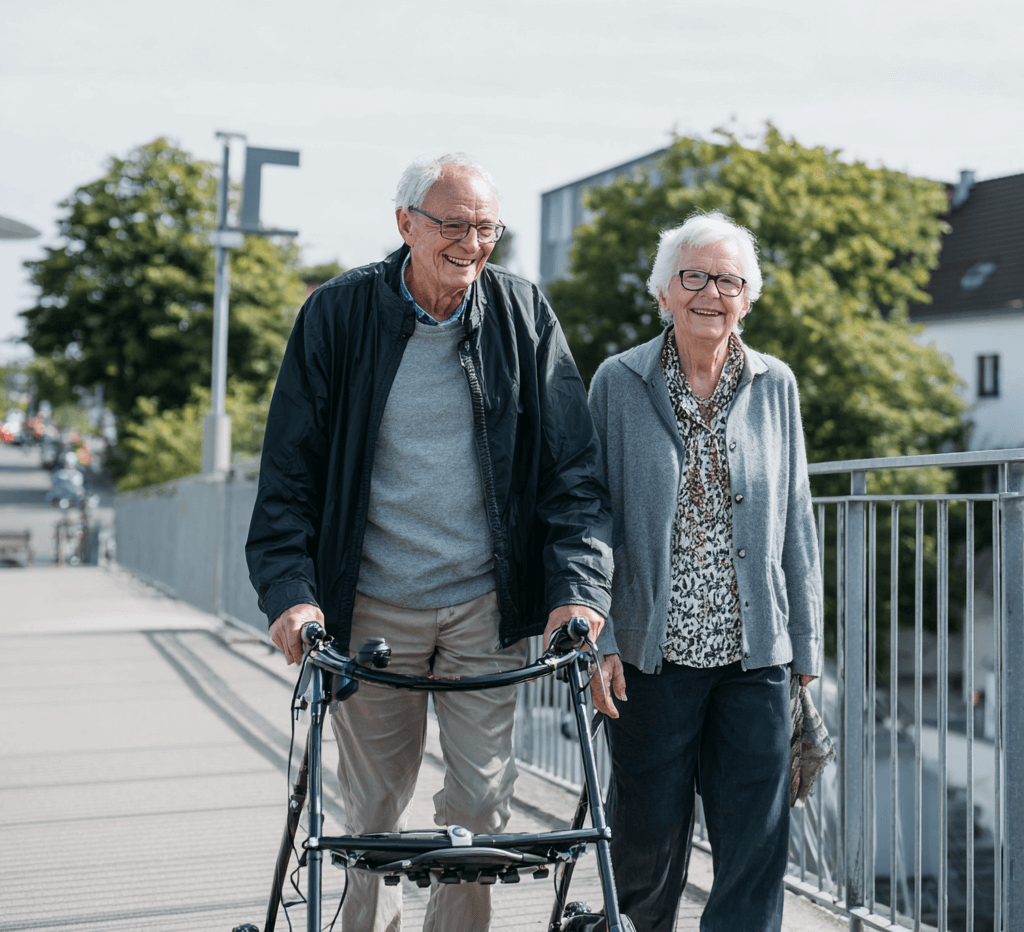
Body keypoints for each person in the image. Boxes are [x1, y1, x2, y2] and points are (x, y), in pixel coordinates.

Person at [246, 153, 613, 932]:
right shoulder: (338, 315)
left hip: (486, 602)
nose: (471, 243)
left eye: (486, 227)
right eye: (452, 224)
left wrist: (577, 589)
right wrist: (291, 594)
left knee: (480, 806)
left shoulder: (522, 314)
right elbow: (288, 473)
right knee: (373, 812)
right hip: (373, 603)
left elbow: (572, 471)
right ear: (406, 224)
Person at [587, 211, 823, 932]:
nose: (710, 292)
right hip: (649, 660)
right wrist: (596, 638)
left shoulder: (775, 384)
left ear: (747, 298)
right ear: (663, 292)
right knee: (646, 855)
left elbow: (797, 520)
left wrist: (805, 652)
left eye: (728, 279)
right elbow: (588, 519)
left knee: (754, 855)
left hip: (754, 660)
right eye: (693, 276)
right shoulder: (619, 382)